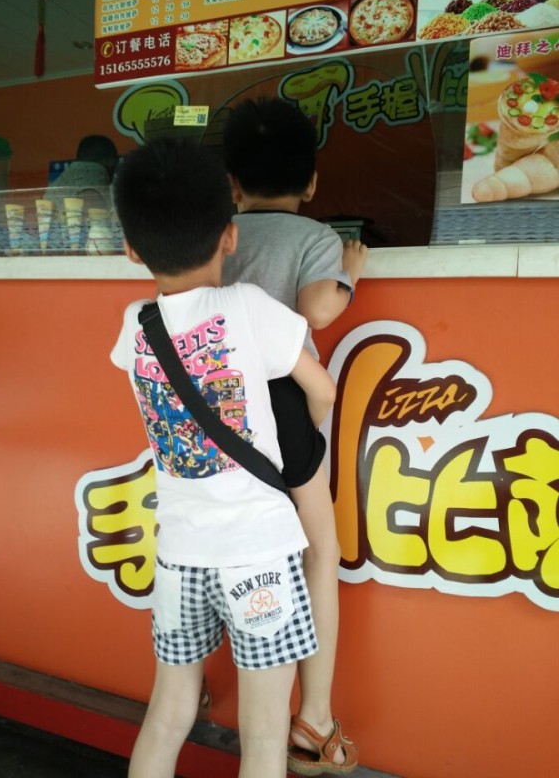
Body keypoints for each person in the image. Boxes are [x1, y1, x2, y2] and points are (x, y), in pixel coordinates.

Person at [111, 137, 338, 778]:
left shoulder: (135, 324)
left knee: (166, 715)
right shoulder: (248, 307)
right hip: (260, 555)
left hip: (179, 555)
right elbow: (321, 389)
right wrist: (305, 436)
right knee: (263, 738)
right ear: (230, 236)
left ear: (132, 250)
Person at [222, 96, 368, 774]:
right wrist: (349, 272)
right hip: (284, 406)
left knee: (237, 546)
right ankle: (314, 717)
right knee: (320, 553)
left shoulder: (217, 232)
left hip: (220, 406)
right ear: (310, 183)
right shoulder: (315, 237)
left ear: (232, 184)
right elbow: (318, 308)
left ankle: (202, 686)